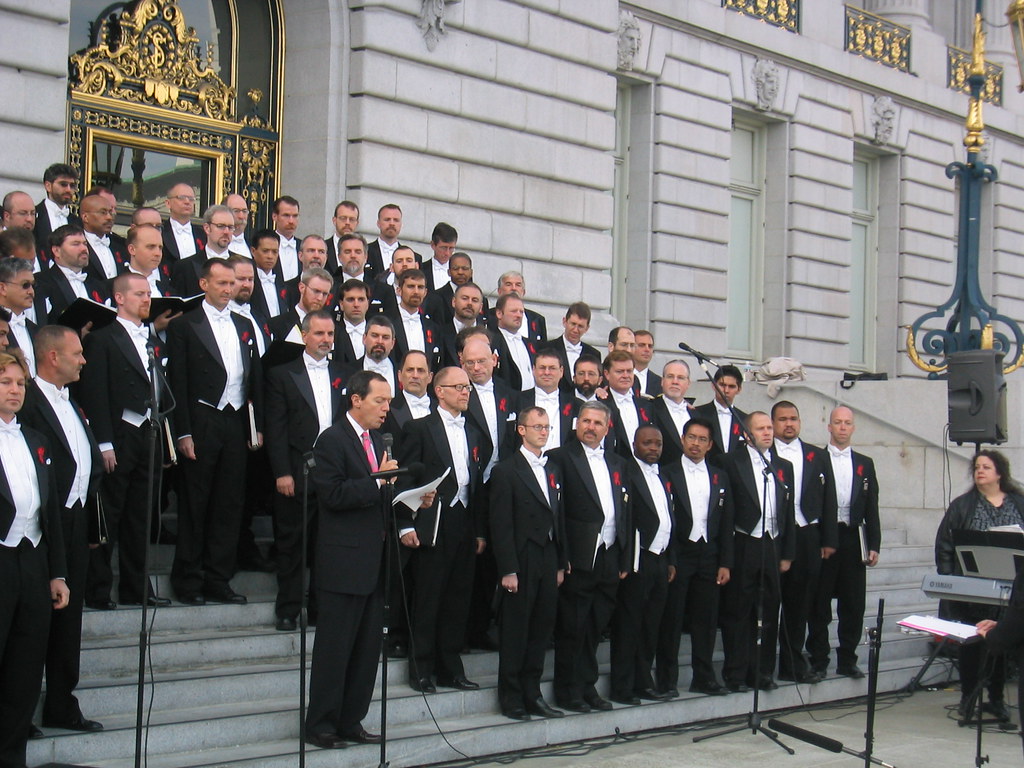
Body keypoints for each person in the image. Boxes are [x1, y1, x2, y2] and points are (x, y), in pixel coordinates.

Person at [304, 370, 424, 749]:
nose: (387, 408)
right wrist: (377, 481)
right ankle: (321, 723)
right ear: (356, 399)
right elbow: (333, 495)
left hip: (375, 561)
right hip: (343, 564)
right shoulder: (332, 440)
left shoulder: (377, 440)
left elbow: (381, 495)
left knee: (366, 651)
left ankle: (351, 720)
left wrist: (412, 497)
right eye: (380, 400)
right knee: (335, 648)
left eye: (389, 401)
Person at [20, 327, 104, 734]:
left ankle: (61, 703)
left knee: (69, 619)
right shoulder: (28, 402)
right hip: (39, 528)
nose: (83, 360)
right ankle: (20, 709)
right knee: (35, 620)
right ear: (53, 357)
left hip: (74, 522)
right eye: (77, 353)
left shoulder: (74, 403)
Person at [166, 258, 264, 606]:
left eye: (232, 283)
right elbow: (177, 381)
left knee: (229, 504)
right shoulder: (185, 325)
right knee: (196, 503)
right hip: (202, 418)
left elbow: (252, 377)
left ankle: (218, 579)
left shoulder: (243, 324)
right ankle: (188, 579)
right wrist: (183, 433)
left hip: (235, 421)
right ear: (204, 284)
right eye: (221, 283)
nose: (228, 289)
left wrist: (256, 425)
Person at [78, 273, 172, 610]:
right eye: (139, 294)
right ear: (119, 298)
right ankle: (98, 589)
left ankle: (137, 587)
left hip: (148, 433)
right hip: (118, 435)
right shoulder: (103, 338)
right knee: (111, 513)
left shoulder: (151, 339)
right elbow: (95, 391)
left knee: (142, 515)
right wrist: (104, 443)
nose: (147, 300)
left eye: (148, 294)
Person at [0, 349, 70, 768]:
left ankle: (11, 758)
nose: (14, 390)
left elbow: (53, 514)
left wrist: (57, 572)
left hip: (32, 559)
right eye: (4, 382)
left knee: (25, 670)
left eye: (19, 383)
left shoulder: (36, 440)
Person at [396, 366, 485, 693]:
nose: (465, 392)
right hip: (432, 521)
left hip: (463, 522)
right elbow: (405, 478)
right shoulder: (418, 428)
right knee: (429, 596)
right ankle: (421, 667)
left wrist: (479, 531)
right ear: (440, 391)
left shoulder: (472, 432)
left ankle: (451, 668)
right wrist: (405, 523)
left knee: (458, 598)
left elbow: (474, 483)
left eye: (467, 388)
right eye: (458, 387)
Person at [265, 311, 351, 632]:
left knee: (326, 545)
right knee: (292, 544)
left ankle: (319, 609)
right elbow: (276, 429)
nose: (326, 340)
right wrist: (282, 473)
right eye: (319, 334)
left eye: (330, 334)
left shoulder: (345, 373)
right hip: (297, 471)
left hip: (334, 473)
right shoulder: (282, 374)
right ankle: (287, 608)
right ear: (304, 335)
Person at [547, 401, 631, 713]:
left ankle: (588, 687)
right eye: (586, 420)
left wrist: (624, 557)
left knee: (595, 627)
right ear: (576, 423)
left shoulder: (618, 462)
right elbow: (557, 512)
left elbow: (625, 511)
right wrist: (562, 556)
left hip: (609, 555)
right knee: (573, 627)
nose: (591, 427)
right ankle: (567, 691)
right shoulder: (559, 458)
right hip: (578, 557)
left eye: (597, 422)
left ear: (607, 428)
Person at [490, 406, 567, 721]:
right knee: (516, 631)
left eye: (547, 427)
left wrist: (561, 562)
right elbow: (500, 523)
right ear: (521, 430)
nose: (543, 432)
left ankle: (533, 693)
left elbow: (559, 518)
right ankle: (512, 698)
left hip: (548, 557)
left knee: (541, 628)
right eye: (537, 426)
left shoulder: (553, 469)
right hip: (521, 558)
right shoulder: (506, 470)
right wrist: (508, 569)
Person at [936, 450, 1023, 720]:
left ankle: (996, 698)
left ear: (1000, 473)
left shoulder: (1018, 503)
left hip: (1011, 588)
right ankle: (968, 697)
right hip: (973, 589)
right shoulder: (963, 505)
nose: (980, 471)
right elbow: (945, 544)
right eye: (976, 467)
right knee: (972, 644)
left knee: (998, 642)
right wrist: (951, 580)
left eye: (986, 467)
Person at [656, 417, 733, 697]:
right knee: (672, 619)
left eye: (702, 439)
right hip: (679, 553)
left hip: (709, 555)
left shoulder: (719, 475)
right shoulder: (666, 472)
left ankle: (703, 676)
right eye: (691, 437)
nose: (696, 444)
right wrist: (671, 559)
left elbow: (726, 521)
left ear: (710, 445)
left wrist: (725, 561)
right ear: (682, 439)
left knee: (706, 620)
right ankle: (666, 679)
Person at [719, 411, 795, 692]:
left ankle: (763, 672)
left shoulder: (783, 466)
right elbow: (726, 513)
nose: (767, 433)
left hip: (772, 543)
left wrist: (787, 552)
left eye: (769, 428)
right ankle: (736, 673)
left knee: (770, 610)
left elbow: (788, 511)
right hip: (744, 542)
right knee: (739, 610)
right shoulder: (732, 462)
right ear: (747, 434)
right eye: (761, 429)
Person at [807, 406, 880, 680]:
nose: (842, 427)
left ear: (853, 428)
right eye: (837, 422)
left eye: (847, 423)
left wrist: (874, 544)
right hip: (825, 537)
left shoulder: (865, 463)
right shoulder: (815, 459)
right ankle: (818, 659)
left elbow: (872, 506)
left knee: (853, 603)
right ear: (829, 426)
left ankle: (848, 659)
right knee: (819, 602)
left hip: (853, 536)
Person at [610, 425, 672, 705]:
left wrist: (670, 558)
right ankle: (622, 686)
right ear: (635, 444)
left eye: (657, 444)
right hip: (637, 559)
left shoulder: (662, 475)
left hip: (660, 559)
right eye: (647, 443)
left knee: (652, 625)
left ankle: (643, 681)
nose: (653, 448)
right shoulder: (627, 472)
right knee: (629, 625)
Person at [771, 400, 832, 684]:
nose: (789, 424)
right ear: (773, 424)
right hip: (774, 536)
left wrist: (828, 539)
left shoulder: (817, 455)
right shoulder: (764, 454)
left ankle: (793, 664)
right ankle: (763, 667)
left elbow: (828, 498)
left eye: (793, 418)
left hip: (807, 535)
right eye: (782, 419)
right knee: (771, 603)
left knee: (800, 605)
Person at [692, 364, 747, 457]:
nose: (726, 390)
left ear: (739, 389)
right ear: (713, 385)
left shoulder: (745, 419)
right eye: (722, 385)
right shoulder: (697, 413)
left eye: (731, 386)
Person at [545, 302, 599, 391]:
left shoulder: (594, 353)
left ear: (587, 328)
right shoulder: (548, 348)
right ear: (564, 321)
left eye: (580, 326)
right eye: (573, 324)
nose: (575, 330)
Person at [651, 359, 694, 465]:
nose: (675, 381)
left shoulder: (697, 415)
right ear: (662, 381)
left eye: (680, 378)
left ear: (688, 383)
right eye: (670, 376)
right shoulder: (650, 408)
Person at [160, 183, 205, 264]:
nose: (187, 202)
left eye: (191, 199)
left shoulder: (203, 234)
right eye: (181, 198)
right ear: (168, 203)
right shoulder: (160, 232)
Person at [271, 195, 302, 282]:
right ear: (274, 216)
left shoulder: (303, 246)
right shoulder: (265, 245)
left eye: (295, 216)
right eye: (286, 215)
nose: (291, 221)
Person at [632, 330, 661, 396]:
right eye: (642, 345)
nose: (647, 349)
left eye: (650, 346)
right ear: (631, 347)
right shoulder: (620, 375)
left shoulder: (659, 382)